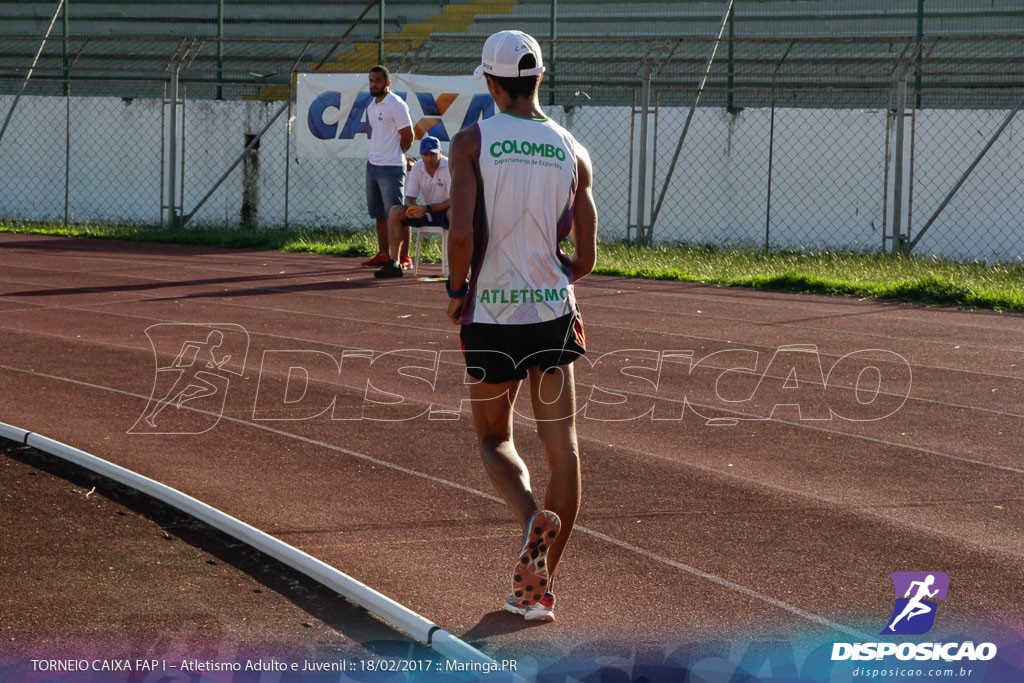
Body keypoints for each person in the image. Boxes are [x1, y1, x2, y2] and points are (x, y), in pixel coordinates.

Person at [445, 29, 597, 623]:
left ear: (489, 81)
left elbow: (460, 233)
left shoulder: (472, 142)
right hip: (553, 314)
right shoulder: (572, 149)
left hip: (492, 315)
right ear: (540, 78)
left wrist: (457, 291)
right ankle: (538, 588)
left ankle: (531, 516)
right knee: (564, 450)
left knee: (494, 439)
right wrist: (555, 272)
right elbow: (585, 258)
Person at [360, 65, 415, 269]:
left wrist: (397, 155)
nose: (374, 84)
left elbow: (409, 136)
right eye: (371, 80)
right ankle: (384, 254)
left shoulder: (396, 104)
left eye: (378, 81)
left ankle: (403, 257)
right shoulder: (371, 106)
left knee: (397, 213)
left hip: (391, 167)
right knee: (379, 214)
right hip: (372, 164)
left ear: (387, 83)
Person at [374, 135, 451, 279]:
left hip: (445, 210)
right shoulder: (417, 167)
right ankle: (394, 263)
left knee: (455, 213)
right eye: (425, 154)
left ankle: (454, 267)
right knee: (395, 211)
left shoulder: (449, 166)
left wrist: (427, 208)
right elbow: (409, 197)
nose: (429, 158)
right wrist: (413, 209)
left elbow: (454, 200)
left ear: (440, 152)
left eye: (433, 154)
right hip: (426, 211)